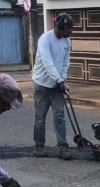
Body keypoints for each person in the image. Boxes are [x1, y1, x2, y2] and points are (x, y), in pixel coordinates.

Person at [32, 12, 74, 160]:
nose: (71, 31)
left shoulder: (67, 42)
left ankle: (63, 147)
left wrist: (62, 79)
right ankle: (39, 147)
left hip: (57, 85)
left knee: (60, 116)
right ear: (62, 27)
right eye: (70, 28)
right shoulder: (45, 39)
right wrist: (58, 79)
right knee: (40, 117)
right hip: (42, 84)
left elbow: (65, 62)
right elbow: (47, 62)